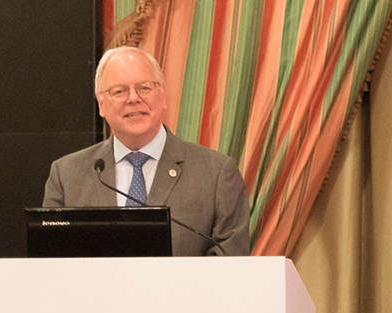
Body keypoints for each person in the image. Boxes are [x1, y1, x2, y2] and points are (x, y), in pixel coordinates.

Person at [43, 46, 251, 256]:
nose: (133, 98)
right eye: (119, 91)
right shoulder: (67, 175)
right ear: (101, 105)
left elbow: (230, 260)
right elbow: (51, 259)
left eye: (145, 88)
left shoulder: (216, 173)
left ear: (163, 97)